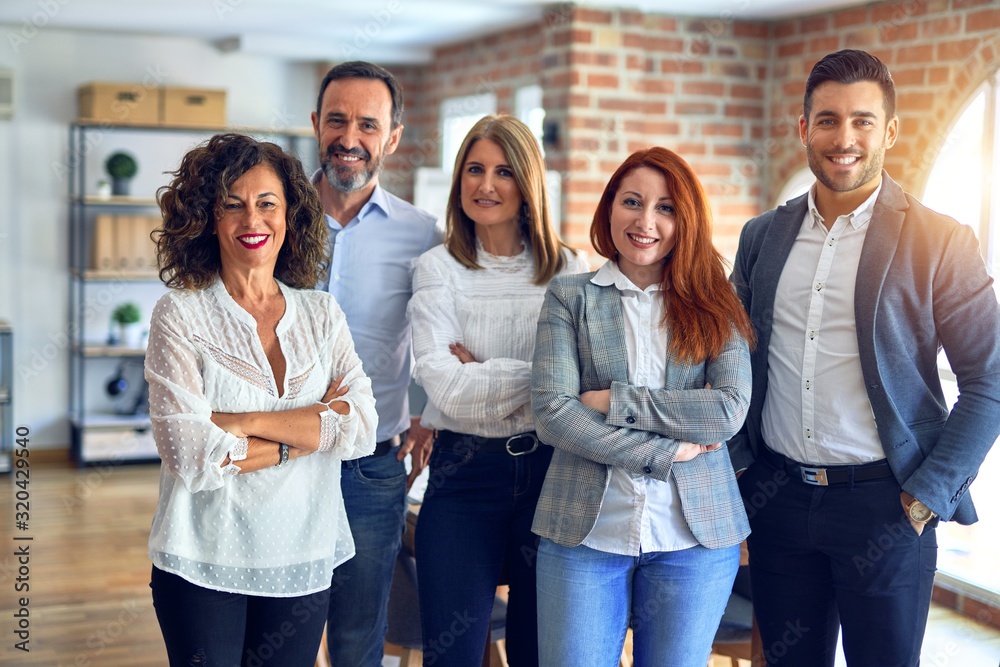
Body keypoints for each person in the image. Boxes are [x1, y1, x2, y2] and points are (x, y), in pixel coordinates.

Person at [728, 49, 1000, 666]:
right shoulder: (762, 237)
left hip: (887, 507)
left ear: (891, 131)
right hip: (779, 500)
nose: (843, 138)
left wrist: (927, 494)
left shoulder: (941, 241)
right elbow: (731, 360)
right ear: (804, 129)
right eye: (827, 120)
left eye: (862, 121)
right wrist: (744, 468)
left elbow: (990, 380)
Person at [145, 133, 377, 666]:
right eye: (233, 205)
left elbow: (361, 427)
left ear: (290, 215)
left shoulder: (322, 315)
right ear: (209, 218)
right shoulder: (179, 315)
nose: (253, 220)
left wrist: (238, 421)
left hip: (302, 553)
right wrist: (310, 434)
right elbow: (190, 453)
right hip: (201, 556)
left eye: (267, 203)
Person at [530, 146, 756, 667]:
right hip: (583, 536)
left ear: (687, 220)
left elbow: (725, 411)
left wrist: (616, 402)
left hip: (696, 541)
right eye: (632, 202)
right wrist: (667, 450)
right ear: (609, 208)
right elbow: (554, 415)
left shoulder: (717, 302)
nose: (646, 221)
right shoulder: (570, 297)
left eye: (667, 208)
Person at [409, 114, 588, 667]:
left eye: (504, 171)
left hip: (550, 475)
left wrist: (481, 365)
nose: (486, 185)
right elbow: (447, 388)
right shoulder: (436, 269)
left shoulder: (568, 268)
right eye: (475, 169)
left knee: (541, 653)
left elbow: (582, 382)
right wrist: (543, 374)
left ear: (528, 183)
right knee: (453, 653)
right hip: (464, 475)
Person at [310, 60, 441, 666]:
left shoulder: (422, 237)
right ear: (316, 124)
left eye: (368, 124)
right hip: (269, 460)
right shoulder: (268, 220)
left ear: (391, 137)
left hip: (370, 467)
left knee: (358, 635)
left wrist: (432, 412)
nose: (349, 137)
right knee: (276, 625)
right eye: (337, 119)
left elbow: (444, 340)